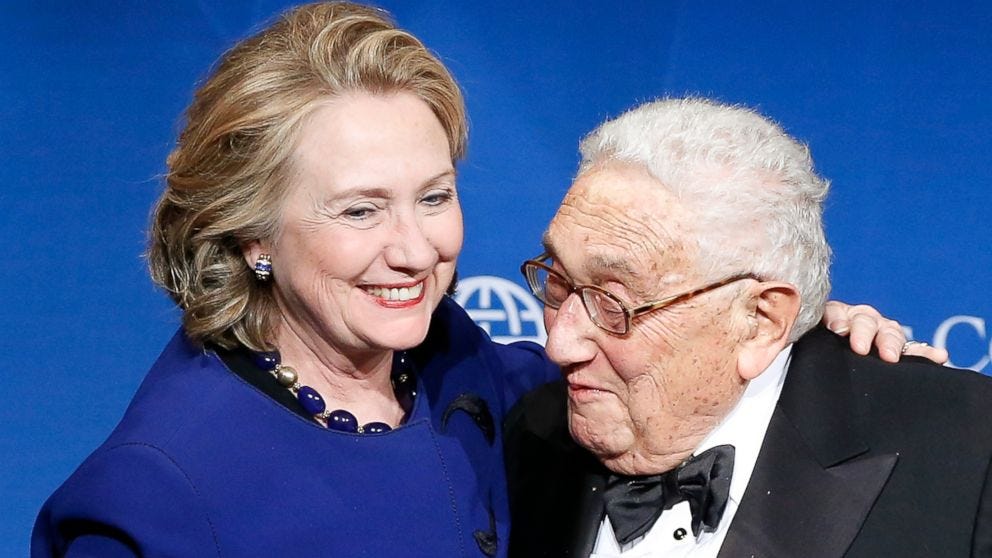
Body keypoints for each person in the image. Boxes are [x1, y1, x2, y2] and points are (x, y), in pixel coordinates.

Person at [31, 4, 939, 557]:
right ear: (250, 234)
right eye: (359, 210)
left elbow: (643, 368)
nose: (415, 249)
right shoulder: (156, 492)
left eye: (434, 196)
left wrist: (781, 327)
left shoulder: (457, 365)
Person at [504, 97, 992, 557]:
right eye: (559, 282)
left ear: (760, 321)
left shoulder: (968, 453)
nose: (559, 344)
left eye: (614, 302)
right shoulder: (526, 437)